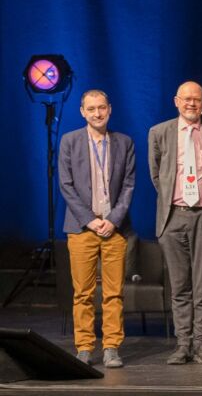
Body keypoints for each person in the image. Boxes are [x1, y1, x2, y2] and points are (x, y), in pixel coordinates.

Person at [148, 81, 202, 364]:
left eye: (196, 99)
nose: (191, 104)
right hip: (174, 216)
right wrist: (177, 200)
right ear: (176, 101)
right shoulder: (159, 132)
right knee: (180, 284)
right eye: (186, 99)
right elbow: (157, 176)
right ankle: (183, 344)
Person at [59, 89, 136, 368]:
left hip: (115, 229)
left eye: (101, 107)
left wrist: (112, 220)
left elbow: (128, 186)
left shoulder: (124, 142)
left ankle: (112, 346)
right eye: (91, 109)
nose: (97, 113)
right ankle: (84, 347)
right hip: (81, 229)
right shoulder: (69, 141)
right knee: (83, 292)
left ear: (109, 109)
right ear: (82, 112)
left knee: (114, 292)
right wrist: (90, 220)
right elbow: (66, 185)